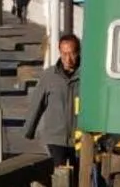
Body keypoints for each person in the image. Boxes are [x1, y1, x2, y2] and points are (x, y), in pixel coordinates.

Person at [23, 33, 81, 178]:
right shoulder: (49, 76)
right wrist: (28, 130)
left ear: (78, 52)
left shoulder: (86, 76)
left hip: (80, 137)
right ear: (59, 52)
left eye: (72, 54)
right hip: (55, 136)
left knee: (78, 177)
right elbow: (37, 104)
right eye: (64, 54)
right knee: (59, 175)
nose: (68, 59)